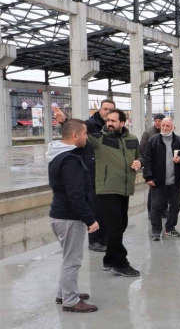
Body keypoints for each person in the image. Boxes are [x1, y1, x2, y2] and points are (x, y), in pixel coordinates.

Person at [54, 106, 143, 277]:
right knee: (116, 226)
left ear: (122, 123)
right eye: (108, 120)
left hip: (125, 189)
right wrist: (65, 121)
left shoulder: (132, 139)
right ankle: (120, 263)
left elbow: (139, 156)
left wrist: (139, 162)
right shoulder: (99, 139)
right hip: (107, 189)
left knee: (121, 225)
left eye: (113, 121)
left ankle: (109, 259)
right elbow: (78, 134)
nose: (109, 123)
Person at [47, 119, 99, 313]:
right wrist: (90, 220)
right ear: (75, 135)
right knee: (73, 260)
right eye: (85, 133)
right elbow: (75, 194)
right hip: (69, 217)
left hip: (59, 215)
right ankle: (70, 300)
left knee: (68, 258)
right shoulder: (70, 160)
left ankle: (64, 293)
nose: (87, 137)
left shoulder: (58, 155)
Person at [142, 118, 180, 240]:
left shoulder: (179, 141)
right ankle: (156, 230)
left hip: (175, 181)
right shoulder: (153, 141)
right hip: (158, 182)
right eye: (163, 126)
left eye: (167, 126)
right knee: (156, 207)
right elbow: (147, 160)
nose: (164, 128)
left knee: (175, 206)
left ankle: (170, 228)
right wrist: (148, 176)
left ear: (173, 127)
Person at [84, 99, 115, 252]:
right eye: (105, 109)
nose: (107, 112)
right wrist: (64, 122)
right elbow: (74, 132)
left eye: (110, 109)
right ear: (100, 109)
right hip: (93, 174)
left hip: (108, 175)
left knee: (105, 210)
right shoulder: (90, 124)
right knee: (95, 209)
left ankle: (104, 238)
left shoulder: (113, 127)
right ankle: (94, 240)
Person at [141, 113, 165, 219]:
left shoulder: (166, 132)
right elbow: (141, 148)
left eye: (160, 121)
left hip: (164, 166)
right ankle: (151, 212)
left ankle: (163, 210)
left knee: (164, 189)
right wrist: (145, 164)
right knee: (153, 190)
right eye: (156, 121)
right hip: (152, 165)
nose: (157, 123)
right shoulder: (148, 133)